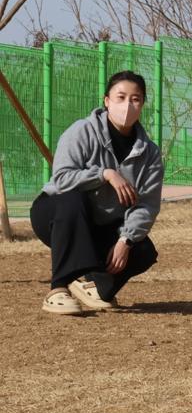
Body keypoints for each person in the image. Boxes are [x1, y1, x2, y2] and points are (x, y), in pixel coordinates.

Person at [30, 70, 164, 315]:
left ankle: (95, 287)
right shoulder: (82, 131)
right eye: (120, 97)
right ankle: (57, 289)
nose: (127, 105)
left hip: (99, 225)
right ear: (106, 101)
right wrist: (106, 174)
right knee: (73, 198)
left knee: (143, 250)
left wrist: (125, 240)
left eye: (135, 99)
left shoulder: (150, 154)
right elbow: (62, 180)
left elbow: (147, 205)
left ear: (142, 104)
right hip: (55, 214)